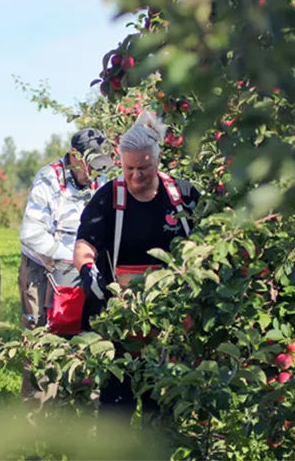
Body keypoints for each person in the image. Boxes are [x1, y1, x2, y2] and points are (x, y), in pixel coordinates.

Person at [73, 110, 201, 422]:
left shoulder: (183, 197)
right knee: (116, 408)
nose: (136, 175)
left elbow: (205, 250)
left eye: (144, 167)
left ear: (157, 161)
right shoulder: (108, 198)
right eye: (129, 168)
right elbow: (84, 244)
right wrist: (88, 270)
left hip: (170, 323)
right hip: (121, 321)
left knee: (163, 411)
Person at [18, 128, 113, 401]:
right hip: (44, 268)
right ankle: (37, 415)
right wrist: (71, 254)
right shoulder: (48, 179)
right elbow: (30, 234)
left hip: (84, 266)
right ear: (74, 157)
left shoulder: (99, 178)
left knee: (88, 335)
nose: (94, 174)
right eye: (89, 166)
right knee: (41, 337)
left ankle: (82, 408)